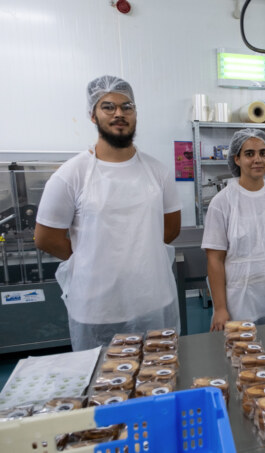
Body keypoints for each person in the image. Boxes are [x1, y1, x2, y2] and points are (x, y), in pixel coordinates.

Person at [34, 75, 181, 351]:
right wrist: (92, 261)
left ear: (135, 113)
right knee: (104, 388)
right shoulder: (71, 175)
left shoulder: (157, 172)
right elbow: (45, 238)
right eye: (108, 107)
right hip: (97, 310)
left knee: (158, 381)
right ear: (93, 115)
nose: (119, 114)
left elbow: (171, 229)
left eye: (127, 107)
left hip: (153, 302)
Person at [202, 129, 265, 329]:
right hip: (239, 304)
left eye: (263, 153)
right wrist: (220, 308)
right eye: (249, 154)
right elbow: (214, 259)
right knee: (243, 359)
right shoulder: (222, 202)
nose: (257, 159)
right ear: (237, 159)